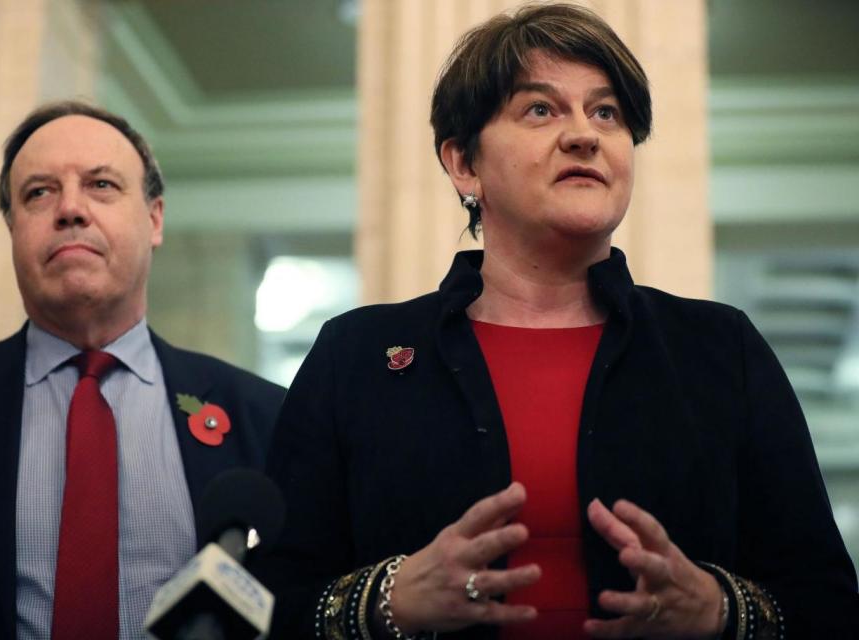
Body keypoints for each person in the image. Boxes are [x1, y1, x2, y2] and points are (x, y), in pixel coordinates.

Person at [257, 4, 859, 639]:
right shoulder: (358, 353)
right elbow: (268, 600)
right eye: (540, 109)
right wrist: (388, 601)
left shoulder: (719, 347)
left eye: (606, 113)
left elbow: (828, 602)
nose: (584, 135)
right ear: (464, 163)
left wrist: (718, 609)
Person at [0, 101, 284, 639]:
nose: (70, 210)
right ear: (12, 229)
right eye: (39, 193)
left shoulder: (265, 417)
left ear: (154, 219)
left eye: (101, 185)